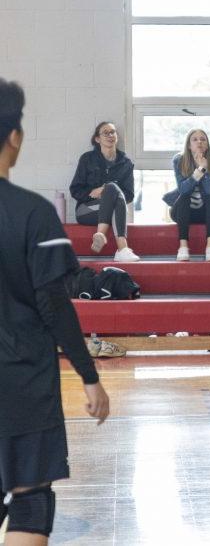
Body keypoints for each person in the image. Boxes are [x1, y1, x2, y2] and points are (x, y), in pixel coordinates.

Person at [0, 78, 111, 545]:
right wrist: (90, 376)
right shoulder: (32, 214)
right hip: (23, 382)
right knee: (30, 498)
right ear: (15, 138)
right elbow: (53, 304)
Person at [69, 121, 140, 262]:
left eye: (113, 132)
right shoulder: (87, 159)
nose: (110, 135)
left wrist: (109, 192)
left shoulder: (126, 163)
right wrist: (92, 192)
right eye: (105, 133)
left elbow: (130, 195)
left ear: (117, 136)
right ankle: (122, 249)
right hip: (86, 210)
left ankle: (101, 235)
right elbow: (75, 189)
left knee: (112, 188)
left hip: (113, 210)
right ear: (97, 139)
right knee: (113, 188)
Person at [163, 129, 210, 262]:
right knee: (185, 196)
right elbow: (183, 189)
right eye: (195, 139)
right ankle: (183, 247)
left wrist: (205, 170)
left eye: (203, 139)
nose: (199, 142)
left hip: (205, 213)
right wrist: (199, 170)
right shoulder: (179, 160)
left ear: (207, 144)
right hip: (182, 211)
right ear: (189, 145)